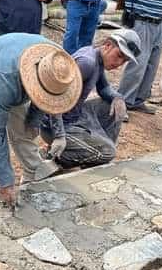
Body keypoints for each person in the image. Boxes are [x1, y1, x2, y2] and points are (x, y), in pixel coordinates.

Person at [0, 33, 82, 206]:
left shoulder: (58, 63)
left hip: (13, 74)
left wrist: (57, 132)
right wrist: (6, 181)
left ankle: (34, 174)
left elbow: (53, 98)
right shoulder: (7, 76)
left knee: (25, 130)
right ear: (33, 82)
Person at [40, 29, 141, 168]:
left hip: (74, 115)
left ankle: (94, 150)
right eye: (119, 55)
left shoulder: (97, 58)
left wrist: (117, 98)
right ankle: (53, 156)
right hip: (54, 124)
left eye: (124, 60)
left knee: (112, 106)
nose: (119, 63)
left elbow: (104, 88)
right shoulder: (87, 63)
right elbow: (54, 98)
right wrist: (59, 135)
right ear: (107, 45)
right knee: (107, 153)